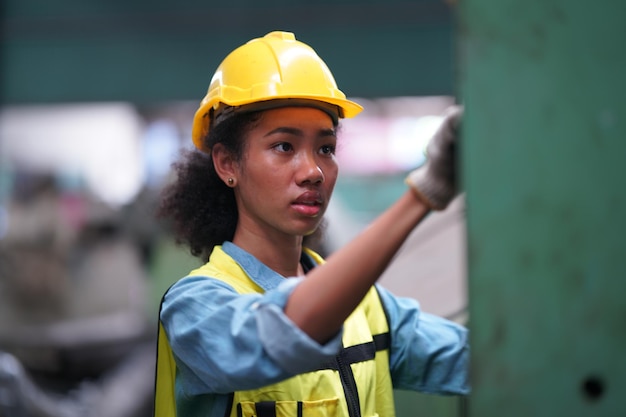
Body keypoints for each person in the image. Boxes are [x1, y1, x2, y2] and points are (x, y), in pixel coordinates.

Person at [154, 31, 468, 417]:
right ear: (227, 164)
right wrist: (422, 195)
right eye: (284, 146)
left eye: (326, 148)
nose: (314, 171)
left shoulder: (369, 309)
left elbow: (480, 360)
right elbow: (287, 333)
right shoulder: (197, 308)